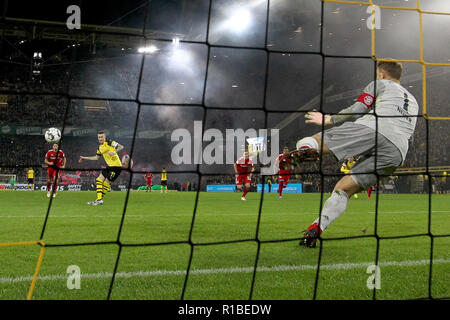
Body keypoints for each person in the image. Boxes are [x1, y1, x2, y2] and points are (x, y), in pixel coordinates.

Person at [293, 60, 418, 248]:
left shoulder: (379, 84)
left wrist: (329, 119)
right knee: (344, 189)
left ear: (382, 73)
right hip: (398, 150)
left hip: (375, 127)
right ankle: (316, 228)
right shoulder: (414, 101)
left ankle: (299, 154)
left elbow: (357, 111)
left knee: (314, 141)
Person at [79, 130, 124, 205]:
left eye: (101, 137)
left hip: (117, 167)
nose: (100, 138)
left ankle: (99, 200)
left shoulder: (110, 142)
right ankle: (99, 200)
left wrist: (114, 152)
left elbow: (121, 147)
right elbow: (96, 158)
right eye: (99, 137)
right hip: (109, 167)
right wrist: (84, 158)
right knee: (99, 180)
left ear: (105, 137)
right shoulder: (100, 148)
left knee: (106, 183)